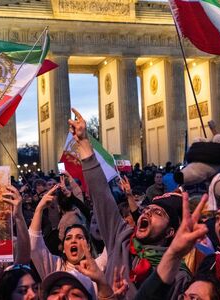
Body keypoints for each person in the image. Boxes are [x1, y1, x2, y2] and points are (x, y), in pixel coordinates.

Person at [69, 108, 189, 298]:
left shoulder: (179, 275)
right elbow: (101, 196)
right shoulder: (121, 237)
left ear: (170, 232)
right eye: (147, 209)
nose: (147, 212)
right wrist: (84, 143)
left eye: (158, 213)